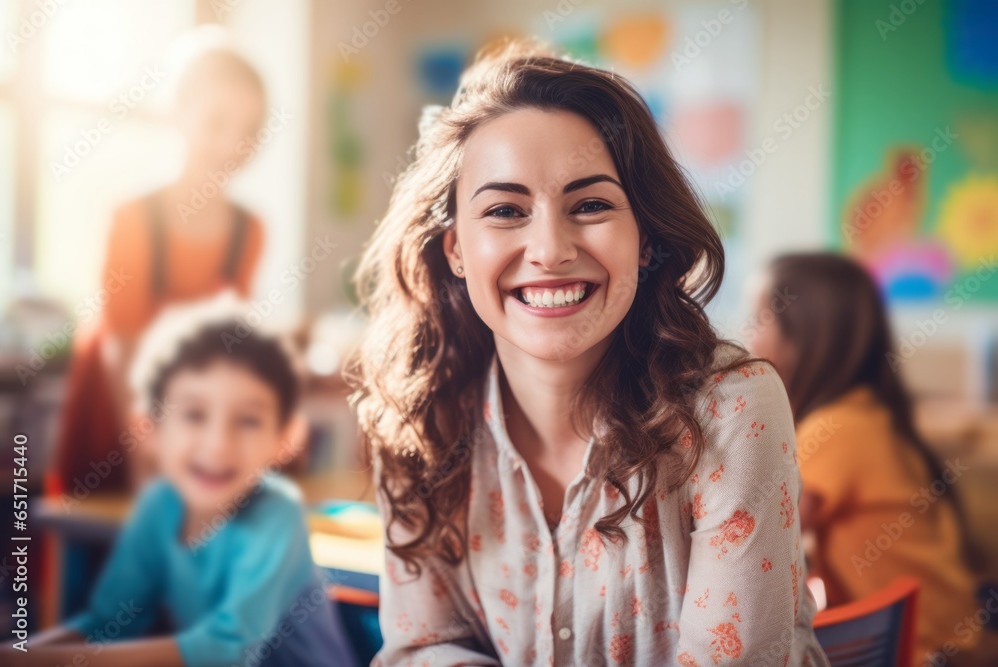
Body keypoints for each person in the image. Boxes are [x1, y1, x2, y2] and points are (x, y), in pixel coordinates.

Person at [345, 41, 830, 666]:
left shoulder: (732, 410)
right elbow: (423, 645)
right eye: (504, 210)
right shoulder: (416, 417)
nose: (549, 248)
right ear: (456, 250)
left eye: (591, 205)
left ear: (646, 237)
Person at [2, 294, 358, 667]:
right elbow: (105, 624)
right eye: (193, 415)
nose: (218, 445)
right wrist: (16, 655)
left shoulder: (277, 514)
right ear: (149, 428)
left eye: (248, 420)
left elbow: (226, 650)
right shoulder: (159, 505)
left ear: (287, 437)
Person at [50, 26, 267, 497]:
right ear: (178, 114)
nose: (232, 144)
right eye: (216, 123)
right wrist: (148, 465)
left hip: (189, 427)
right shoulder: (133, 218)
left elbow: (224, 349)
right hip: (113, 413)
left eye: (248, 131)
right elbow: (122, 354)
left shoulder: (248, 231)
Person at [745, 252, 987, 665]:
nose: (747, 336)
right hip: (944, 634)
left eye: (758, 318)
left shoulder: (838, 427)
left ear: (803, 336)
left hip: (924, 649)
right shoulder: (865, 411)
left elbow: (762, 535)